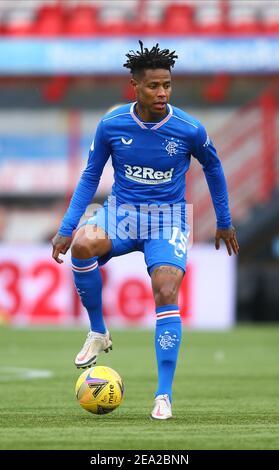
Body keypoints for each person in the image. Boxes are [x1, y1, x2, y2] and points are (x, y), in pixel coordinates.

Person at [52, 41, 239, 420]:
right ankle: (99, 331)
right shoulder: (112, 125)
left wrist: (223, 219)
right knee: (84, 246)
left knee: (166, 289)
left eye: (167, 85)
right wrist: (69, 226)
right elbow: (91, 176)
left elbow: (215, 169)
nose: (162, 93)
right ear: (134, 85)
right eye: (154, 85)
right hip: (121, 213)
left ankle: (164, 396)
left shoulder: (188, 128)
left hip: (167, 218)